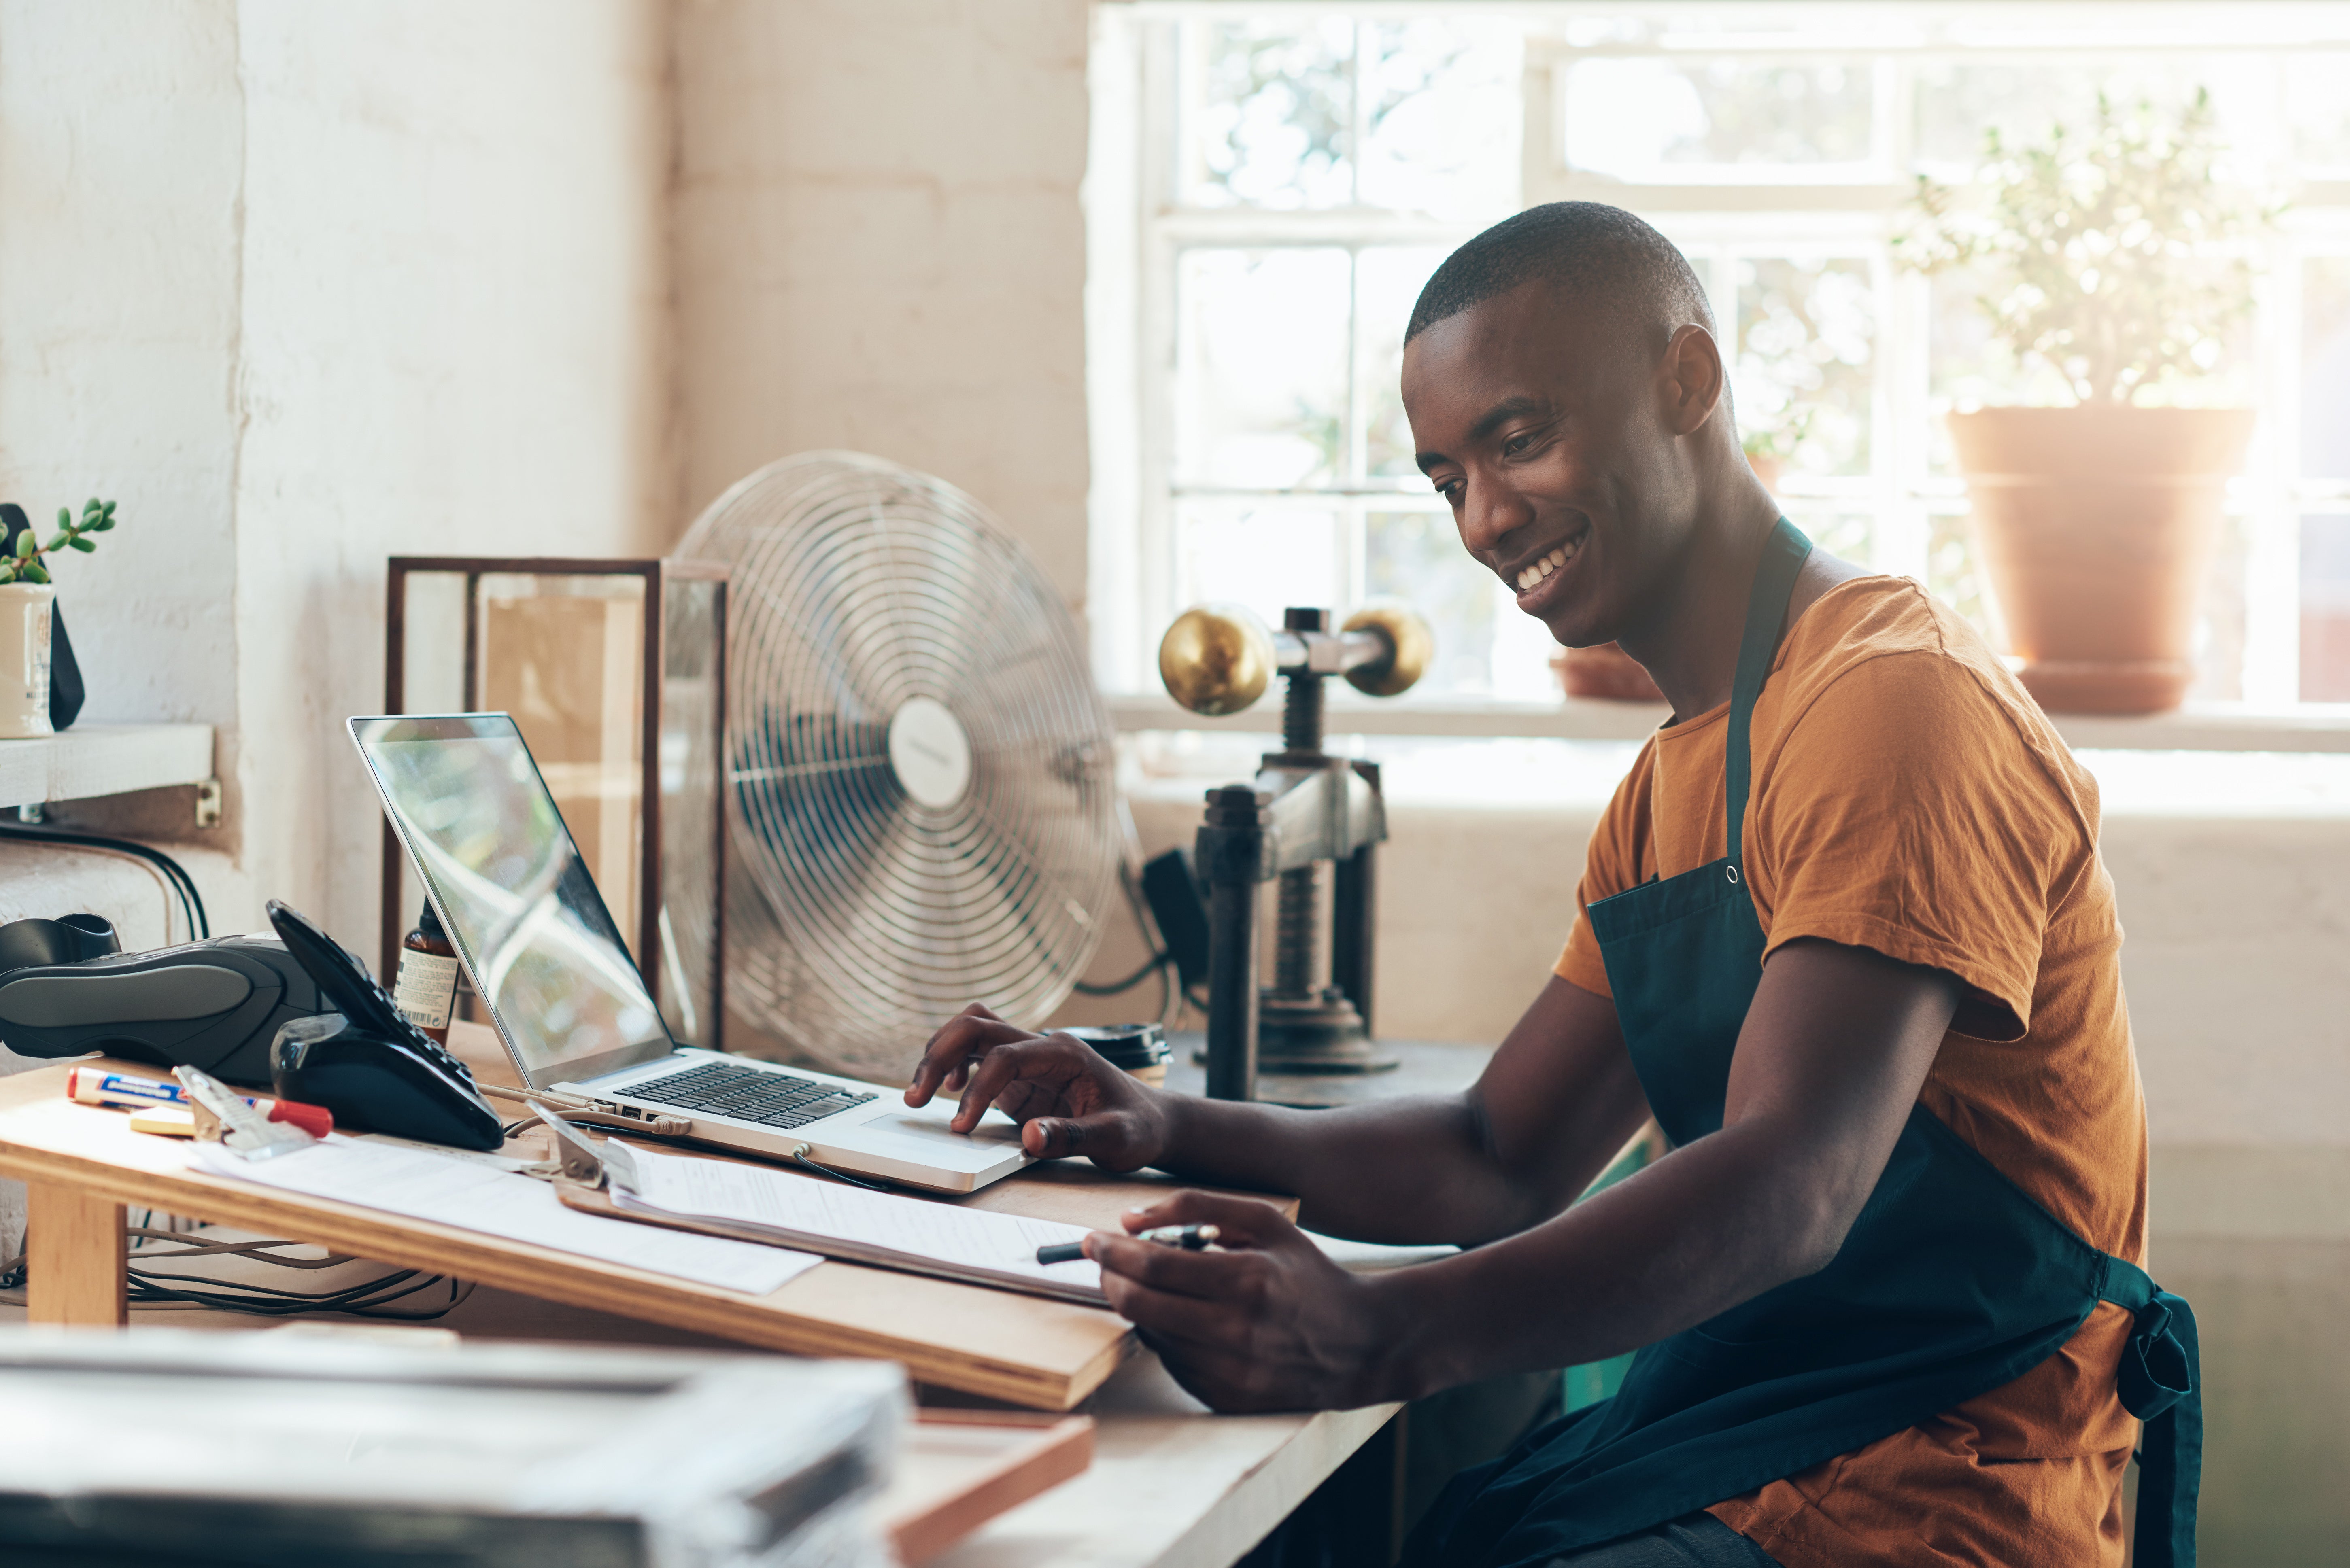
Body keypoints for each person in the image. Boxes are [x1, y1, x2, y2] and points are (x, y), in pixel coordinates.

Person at [905, 202, 2197, 1568]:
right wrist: (1161, 1118)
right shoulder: (1670, 785)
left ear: (1687, 383)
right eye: (1447, 477)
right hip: (1747, 1447)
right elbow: (1499, 1154)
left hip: (1932, 1493)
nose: (1485, 516)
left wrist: (1377, 1329)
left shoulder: (1892, 701)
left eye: (1520, 439)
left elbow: (1791, 1184)